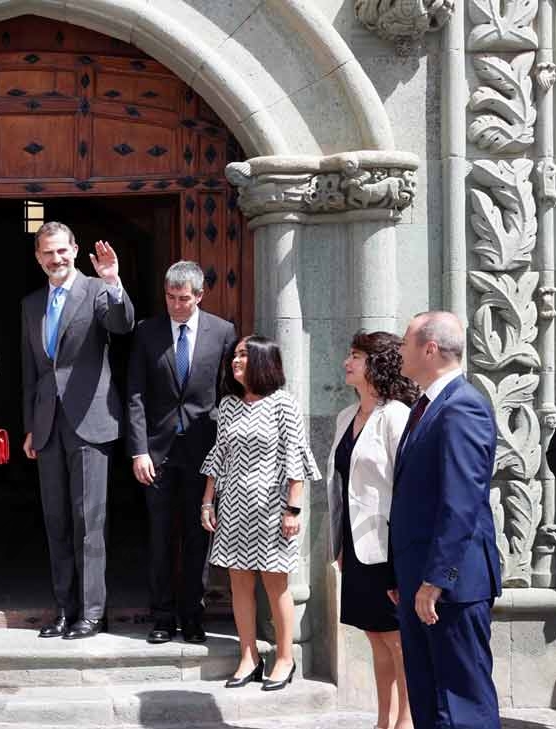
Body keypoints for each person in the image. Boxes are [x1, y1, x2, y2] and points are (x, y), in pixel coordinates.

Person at [20, 221, 135, 639]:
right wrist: (31, 426)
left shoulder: (96, 291)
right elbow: (31, 371)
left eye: (62, 251)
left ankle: (92, 612)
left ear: (75, 249)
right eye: (48, 253)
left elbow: (122, 324)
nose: (56, 259)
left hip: (91, 421)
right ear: (38, 257)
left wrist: (113, 281)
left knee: (89, 520)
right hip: (49, 424)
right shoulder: (32, 304)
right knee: (56, 521)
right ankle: (65, 610)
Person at [390, 311, 501, 729]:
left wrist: (436, 579)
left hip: (451, 586)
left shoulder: (463, 406)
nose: (400, 350)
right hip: (420, 579)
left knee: (462, 703)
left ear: (429, 349)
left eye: (406, 342)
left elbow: (461, 501)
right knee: (431, 699)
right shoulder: (427, 405)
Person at [200, 335, 320, 690]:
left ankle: (285, 657)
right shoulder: (229, 405)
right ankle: (248, 656)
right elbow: (218, 455)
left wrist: (293, 509)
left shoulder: (284, 404)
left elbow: (295, 457)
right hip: (234, 507)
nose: (236, 360)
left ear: (263, 360)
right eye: (235, 355)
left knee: (276, 585)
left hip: (272, 508)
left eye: (244, 355)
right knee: (239, 585)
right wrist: (208, 501)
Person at [127, 260, 234, 644]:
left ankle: (192, 616)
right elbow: (136, 394)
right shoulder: (147, 332)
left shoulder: (223, 332)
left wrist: (225, 446)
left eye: (183, 299)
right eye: (170, 298)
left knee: (196, 538)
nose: (176, 305)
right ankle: (161, 617)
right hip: (157, 452)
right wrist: (139, 450)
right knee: (159, 538)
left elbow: (227, 392)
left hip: (203, 452)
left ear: (199, 296)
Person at [328, 331, 418, 729]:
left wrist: (402, 556)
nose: (347, 362)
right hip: (356, 542)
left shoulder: (396, 415)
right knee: (375, 636)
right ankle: (384, 720)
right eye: (349, 354)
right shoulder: (346, 417)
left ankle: (407, 722)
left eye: (356, 356)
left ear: (376, 364)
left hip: (388, 546)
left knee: (399, 641)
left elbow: (407, 489)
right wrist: (341, 544)